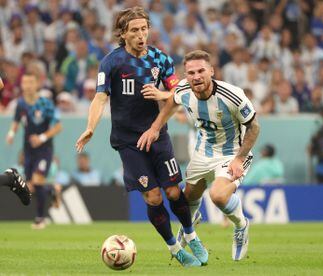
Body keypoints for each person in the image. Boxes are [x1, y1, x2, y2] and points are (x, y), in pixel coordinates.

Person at [75, 7, 206, 267]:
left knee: (172, 191)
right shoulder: (111, 62)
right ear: (123, 34)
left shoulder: (160, 59)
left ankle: (191, 235)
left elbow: (179, 94)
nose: (141, 35)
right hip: (128, 141)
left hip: (156, 133)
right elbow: (100, 97)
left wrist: (162, 96)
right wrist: (91, 127)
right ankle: (175, 248)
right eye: (134, 30)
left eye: (144, 29)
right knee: (153, 197)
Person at [138, 50, 261, 261]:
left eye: (201, 71)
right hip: (203, 151)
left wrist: (239, 159)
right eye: (191, 72)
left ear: (211, 71)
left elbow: (254, 127)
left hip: (233, 152)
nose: (196, 76)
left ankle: (241, 225)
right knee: (186, 199)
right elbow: (173, 101)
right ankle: (190, 227)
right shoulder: (184, 89)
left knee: (218, 195)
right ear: (186, 75)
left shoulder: (232, 95)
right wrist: (156, 127)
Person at [6, 72, 62, 228]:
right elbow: (16, 122)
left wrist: (42, 137)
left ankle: (40, 219)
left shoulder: (45, 103)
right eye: (25, 83)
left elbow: (58, 126)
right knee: (31, 185)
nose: (28, 86)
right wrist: (11, 134)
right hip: (28, 151)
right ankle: (52, 190)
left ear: (37, 84)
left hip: (44, 150)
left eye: (31, 82)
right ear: (21, 85)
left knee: (37, 180)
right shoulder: (21, 104)